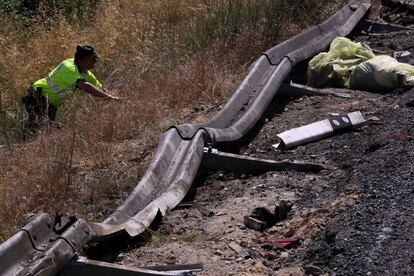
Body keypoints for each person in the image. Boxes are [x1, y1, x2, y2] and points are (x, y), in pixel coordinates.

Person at [22, 44, 119, 128]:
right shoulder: (69, 67)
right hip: (37, 97)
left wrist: (117, 99)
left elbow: (100, 88)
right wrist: (109, 97)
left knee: (42, 130)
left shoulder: (85, 72)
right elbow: (85, 86)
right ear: (86, 59)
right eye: (94, 59)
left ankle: (24, 139)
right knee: (48, 128)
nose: (95, 62)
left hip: (51, 104)